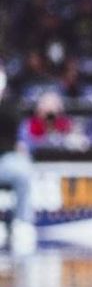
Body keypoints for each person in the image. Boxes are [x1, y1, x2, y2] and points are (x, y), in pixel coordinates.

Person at [0, 63, 37, 253]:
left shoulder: (10, 105)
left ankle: (22, 222)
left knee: (22, 170)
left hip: (5, 159)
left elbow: (15, 134)